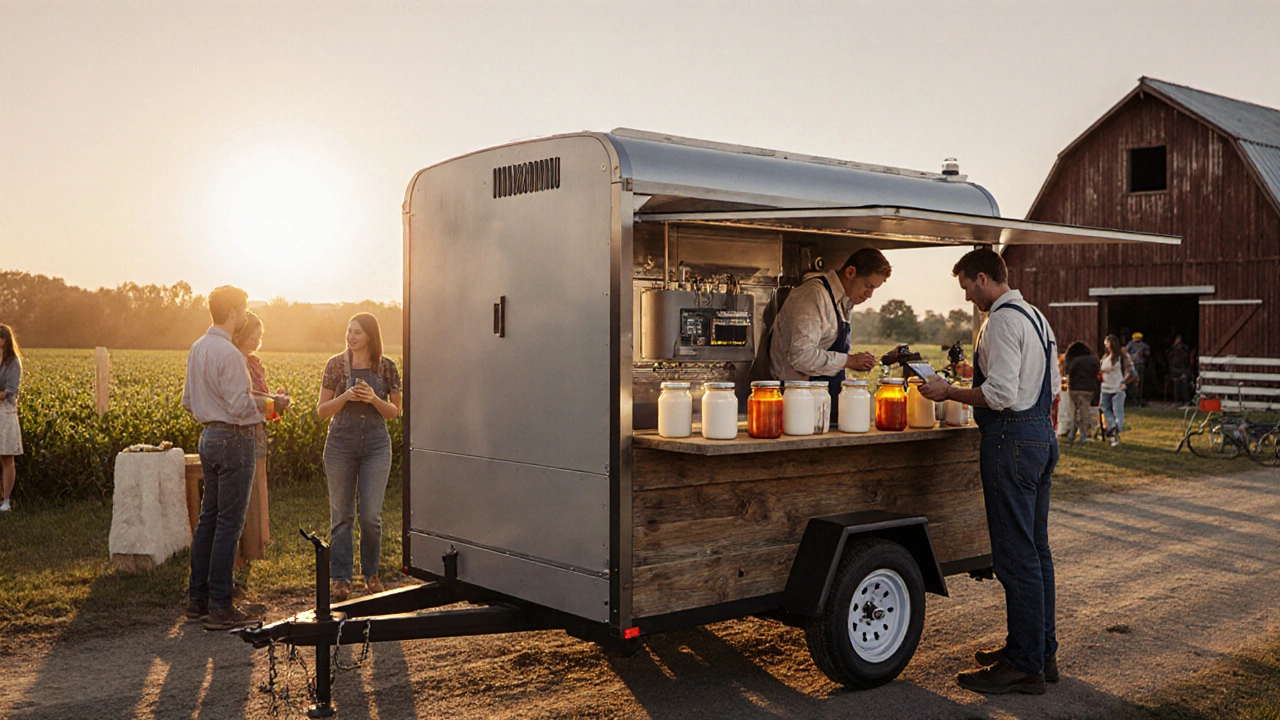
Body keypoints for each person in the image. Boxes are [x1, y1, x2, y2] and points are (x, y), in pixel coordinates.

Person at [920, 248, 1060, 695]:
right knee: (1036, 552)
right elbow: (1044, 384)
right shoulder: (1036, 316)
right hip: (1041, 435)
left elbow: (999, 395)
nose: (967, 298)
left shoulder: (999, 320)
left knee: (1015, 557)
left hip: (1010, 440)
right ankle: (1041, 651)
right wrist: (973, 375)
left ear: (982, 278)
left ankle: (1024, 665)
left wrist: (948, 391)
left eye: (966, 287)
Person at [182, 286, 268, 630]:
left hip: (208, 437)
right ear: (232, 312)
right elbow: (240, 406)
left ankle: (197, 600)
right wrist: (266, 406)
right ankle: (221, 605)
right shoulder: (230, 354)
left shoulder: (198, 347)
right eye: (244, 309)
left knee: (209, 520)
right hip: (235, 439)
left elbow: (189, 401)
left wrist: (215, 413)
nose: (246, 316)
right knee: (229, 524)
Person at [317, 313, 402, 602]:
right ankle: (341, 579)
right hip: (340, 444)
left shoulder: (387, 367)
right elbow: (322, 410)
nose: (351, 336)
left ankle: (371, 574)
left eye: (357, 332)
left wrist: (373, 400)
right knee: (341, 515)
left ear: (370, 336)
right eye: (348, 330)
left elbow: (394, 412)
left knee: (370, 516)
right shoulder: (335, 365)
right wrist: (346, 397)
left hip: (376, 446)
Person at [767, 248, 890, 418]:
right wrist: (849, 360)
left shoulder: (844, 302)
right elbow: (801, 356)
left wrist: (853, 363)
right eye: (868, 286)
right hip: (798, 402)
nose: (869, 295)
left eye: (874, 289)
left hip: (821, 399)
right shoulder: (814, 295)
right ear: (850, 272)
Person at [231, 312, 290, 593]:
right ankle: (235, 562)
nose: (258, 338)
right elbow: (243, 403)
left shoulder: (254, 363)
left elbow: (263, 406)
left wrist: (276, 404)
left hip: (256, 434)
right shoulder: (234, 360)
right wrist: (273, 404)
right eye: (255, 332)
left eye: (261, 334)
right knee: (241, 502)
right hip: (240, 435)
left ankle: (248, 555)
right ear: (242, 332)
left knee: (254, 499)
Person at [0, 325, 22, 512]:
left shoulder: (13, 362)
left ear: (4, 341)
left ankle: (6, 501)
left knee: (7, 457)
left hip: (5, 412)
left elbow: (10, 392)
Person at [1099, 334, 1134, 447]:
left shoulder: (1121, 357)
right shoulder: (1108, 357)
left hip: (1115, 387)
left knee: (1114, 410)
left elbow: (1131, 371)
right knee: (1109, 410)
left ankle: (1114, 430)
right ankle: (1114, 428)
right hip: (1108, 387)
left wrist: (1123, 381)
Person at [1063, 341, 1100, 446]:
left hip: (1074, 389)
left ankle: (1072, 435)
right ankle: (1083, 435)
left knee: (1074, 412)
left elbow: (1069, 373)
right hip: (1088, 389)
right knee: (1084, 413)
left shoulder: (1073, 361)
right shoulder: (1093, 360)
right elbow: (1097, 373)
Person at [1125, 332, 1151, 406]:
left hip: (1134, 364)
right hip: (1138, 364)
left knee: (1134, 380)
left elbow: (1126, 353)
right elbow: (1147, 353)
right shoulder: (1143, 345)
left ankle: (1135, 396)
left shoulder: (1130, 344)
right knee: (1137, 381)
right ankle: (1136, 396)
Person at [1167, 335, 1192, 403]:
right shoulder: (1183, 348)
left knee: (1180, 384)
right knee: (1181, 384)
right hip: (1179, 368)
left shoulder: (1176, 348)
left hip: (1179, 369)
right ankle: (1182, 399)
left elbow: (1170, 357)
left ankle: (1179, 399)